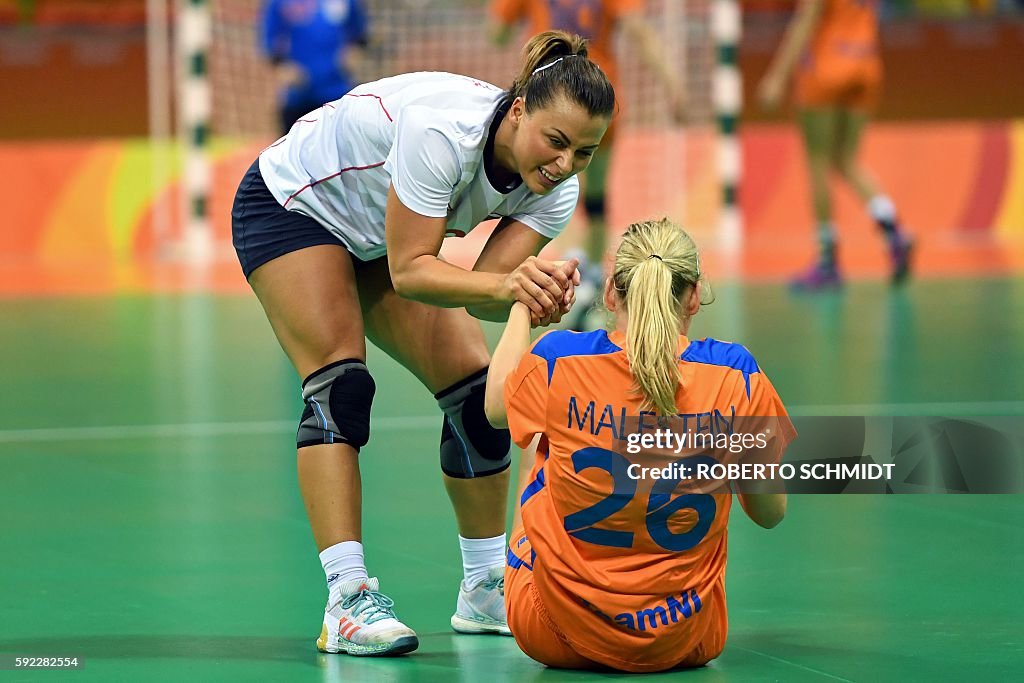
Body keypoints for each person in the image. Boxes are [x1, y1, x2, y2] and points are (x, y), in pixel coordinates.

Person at [230, 31, 615, 656]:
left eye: (585, 152)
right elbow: (413, 271)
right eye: (556, 140)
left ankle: (487, 587)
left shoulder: (557, 191)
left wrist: (533, 295)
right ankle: (347, 600)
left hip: (383, 235)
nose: (565, 163)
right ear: (519, 108)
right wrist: (510, 285)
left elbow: (478, 294)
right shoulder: (444, 134)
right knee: (340, 385)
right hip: (293, 207)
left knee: (476, 390)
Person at [484, 218, 796, 672]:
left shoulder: (559, 359)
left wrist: (521, 305)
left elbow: (495, 409)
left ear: (611, 294)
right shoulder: (737, 373)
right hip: (687, 640)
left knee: (537, 430)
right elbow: (770, 515)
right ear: (693, 295)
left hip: (552, 632)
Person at [490, 0, 687, 328]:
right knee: (592, 199)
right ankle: (586, 282)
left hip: (552, 108)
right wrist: (671, 82)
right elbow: (640, 31)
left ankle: (543, 281)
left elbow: (497, 34)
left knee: (541, 192)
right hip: (598, 108)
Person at [758, 0, 913, 290]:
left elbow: (805, 21)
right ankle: (893, 231)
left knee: (817, 162)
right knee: (847, 160)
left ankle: (827, 261)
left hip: (826, 67)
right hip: (865, 66)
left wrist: (777, 77)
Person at [260, 0, 371, 134]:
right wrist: (283, 67)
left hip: (337, 90)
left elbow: (359, 33)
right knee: (293, 149)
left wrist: (352, 53)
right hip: (298, 93)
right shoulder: (279, 3)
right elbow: (270, 40)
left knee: (341, 149)